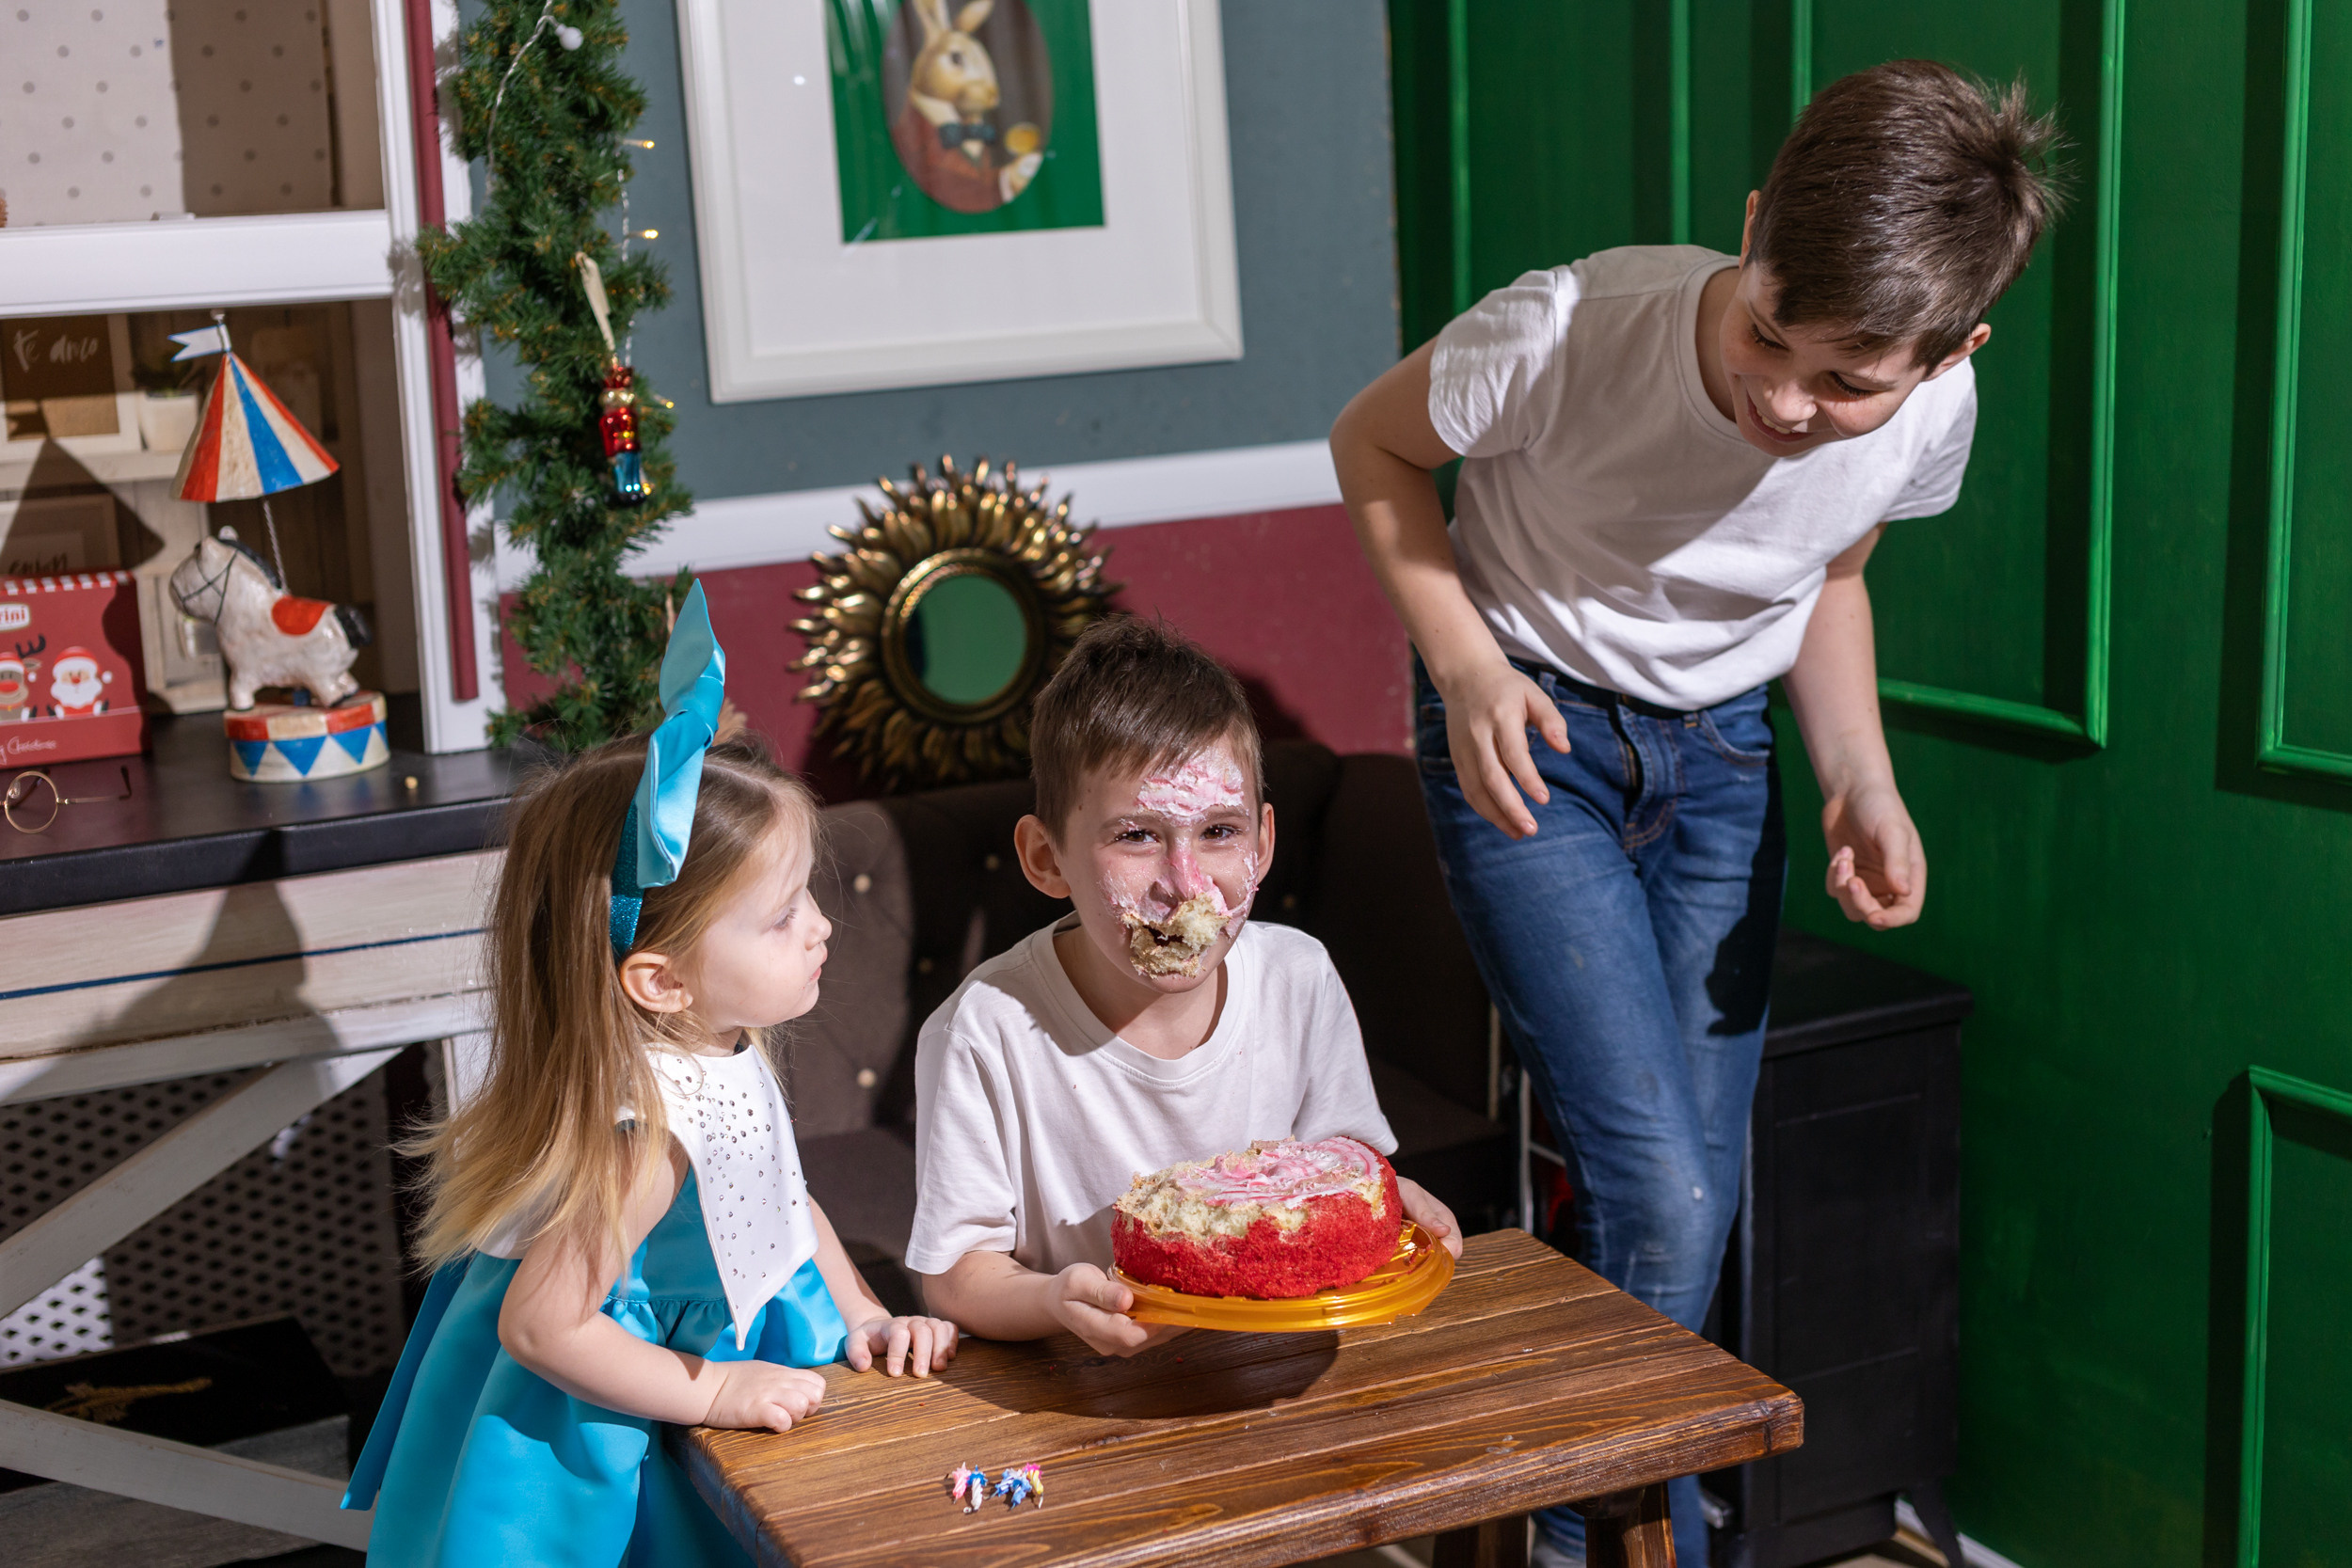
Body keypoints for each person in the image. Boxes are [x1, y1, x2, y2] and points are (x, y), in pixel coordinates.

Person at [1329, 61, 2061, 1564]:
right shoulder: (1574, 325)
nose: (1785, 401)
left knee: (1687, 1193)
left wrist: (1861, 775)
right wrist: (1462, 661)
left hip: (1725, 756)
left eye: (1846, 381)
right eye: (1766, 332)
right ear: (1748, 227)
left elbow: (1830, 579)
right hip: (1529, 721)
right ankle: (1601, 1537)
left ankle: (1568, 1511)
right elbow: (1374, 443)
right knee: (1661, 1183)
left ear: (1950, 354)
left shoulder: (1930, 415)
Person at [343, 586, 958, 1567]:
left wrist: (865, 1312)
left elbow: (783, 1201)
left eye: (807, 896)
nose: (822, 926)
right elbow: (544, 1326)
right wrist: (714, 1391)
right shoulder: (645, 1140)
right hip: (615, 1405)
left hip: (719, 1342)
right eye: (781, 913)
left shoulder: (723, 1039)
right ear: (660, 978)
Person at [908, 616, 1462, 1354]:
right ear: (1046, 858)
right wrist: (1053, 1298)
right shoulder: (985, 1028)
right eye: (1136, 835)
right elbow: (954, 1274)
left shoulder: (1298, 977)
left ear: (1264, 844)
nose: (1186, 885)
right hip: (1087, 1391)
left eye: (1220, 832)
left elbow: (1342, 1173)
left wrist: (1391, 1203)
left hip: (1284, 1368)